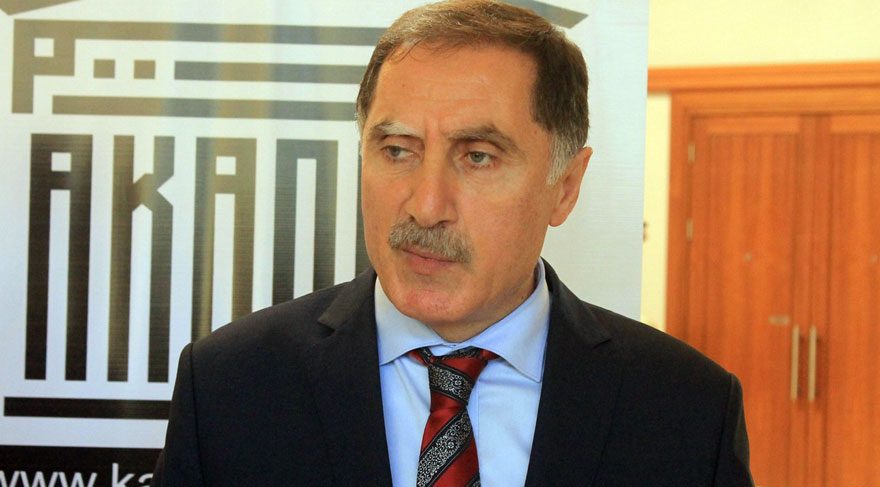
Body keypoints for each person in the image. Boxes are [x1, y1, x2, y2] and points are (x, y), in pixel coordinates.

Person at [151, 0, 753, 485]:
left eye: (478, 157)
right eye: (397, 150)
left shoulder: (685, 409)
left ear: (565, 187)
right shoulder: (231, 387)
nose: (426, 205)